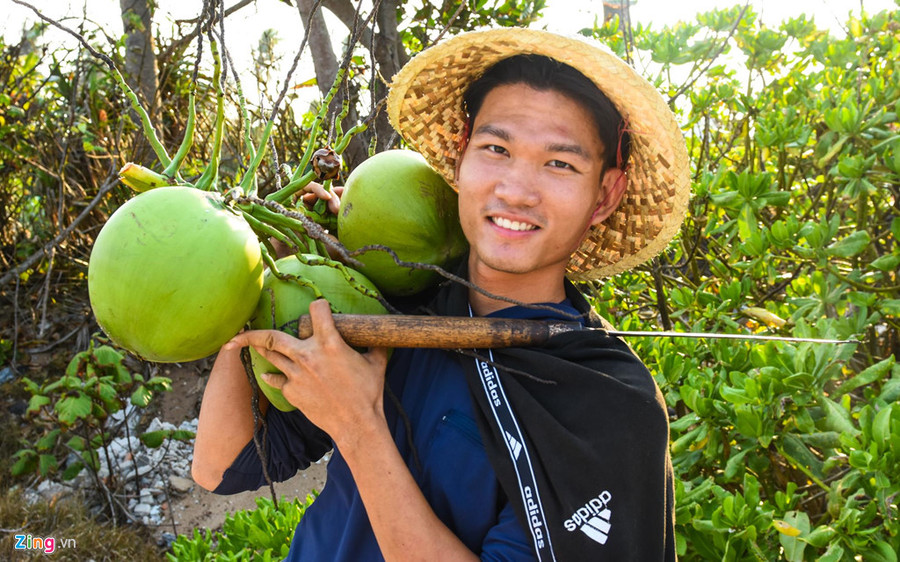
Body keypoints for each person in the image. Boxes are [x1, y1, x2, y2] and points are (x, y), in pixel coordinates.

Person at [192, 27, 690, 561]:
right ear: (459, 156)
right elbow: (221, 466)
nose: (516, 191)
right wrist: (257, 281)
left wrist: (358, 427)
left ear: (606, 193)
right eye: (496, 149)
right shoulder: (397, 301)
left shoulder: (610, 407)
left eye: (560, 163)